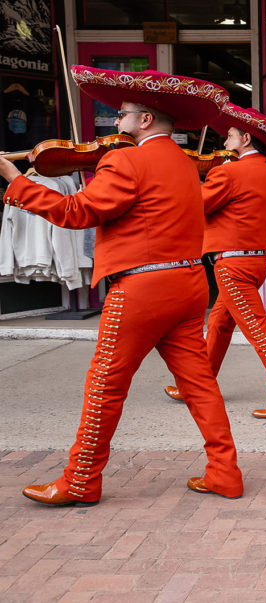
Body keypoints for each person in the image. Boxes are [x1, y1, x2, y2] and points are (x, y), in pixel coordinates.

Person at [0, 66, 244, 504]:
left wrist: (16, 182)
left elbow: (76, 212)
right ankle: (224, 472)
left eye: (123, 113)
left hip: (142, 289)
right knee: (200, 384)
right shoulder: (188, 164)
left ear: (146, 119)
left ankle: (80, 480)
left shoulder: (126, 158)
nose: (116, 122)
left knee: (105, 386)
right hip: (189, 283)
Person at [162, 103, 266, 419]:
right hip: (258, 261)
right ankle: (196, 386)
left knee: (258, 330)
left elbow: (194, 206)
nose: (225, 141)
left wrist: (181, 179)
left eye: (229, 135)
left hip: (232, 264)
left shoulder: (228, 171)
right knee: (219, 322)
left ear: (245, 139)